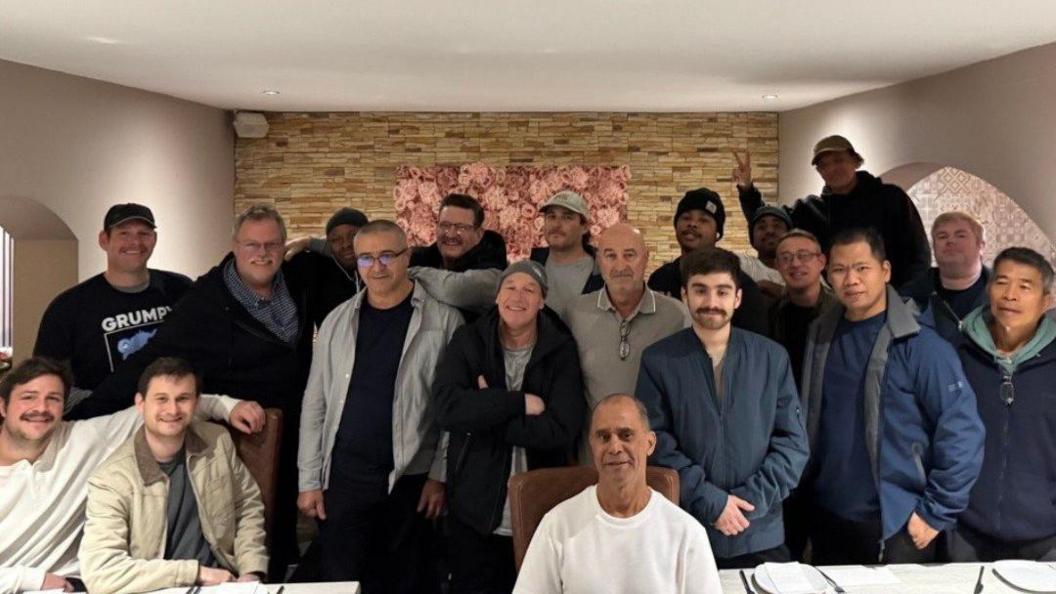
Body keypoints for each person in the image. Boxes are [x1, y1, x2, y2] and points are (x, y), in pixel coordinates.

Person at [70, 204, 314, 577]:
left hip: (297, 424)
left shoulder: (300, 280)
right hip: (243, 434)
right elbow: (152, 359)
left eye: (272, 244)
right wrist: (82, 412)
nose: (262, 253)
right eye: (251, 244)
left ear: (284, 246)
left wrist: (317, 242)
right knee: (244, 522)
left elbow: (352, 252)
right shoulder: (206, 301)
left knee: (280, 532)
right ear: (234, 246)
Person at [0, 356, 262, 594]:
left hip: (71, 586)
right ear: (3, 406)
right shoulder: (111, 475)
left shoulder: (84, 438)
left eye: (53, 399)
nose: (41, 408)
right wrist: (31, 579)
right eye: (29, 397)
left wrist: (229, 406)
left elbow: (167, 407)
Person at [295, 220, 462, 592]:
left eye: (387, 255)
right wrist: (308, 480)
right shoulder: (338, 321)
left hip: (411, 479)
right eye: (366, 258)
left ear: (408, 258)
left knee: (405, 581)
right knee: (342, 579)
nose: (377, 266)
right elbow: (315, 403)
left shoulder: (444, 321)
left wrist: (440, 474)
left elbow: (452, 410)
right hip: (345, 477)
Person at [800, 228, 984, 564]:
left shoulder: (922, 345)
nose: (851, 279)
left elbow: (962, 432)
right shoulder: (821, 336)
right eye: (840, 270)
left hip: (897, 523)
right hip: (830, 516)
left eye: (862, 268)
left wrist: (935, 511)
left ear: (885, 271)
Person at [638, 248, 809, 568]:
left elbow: (793, 445)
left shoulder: (772, 358)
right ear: (684, 295)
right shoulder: (658, 361)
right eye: (701, 290)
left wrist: (747, 505)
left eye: (722, 291)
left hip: (759, 532)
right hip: (687, 530)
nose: (711, 302)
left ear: (738, 298)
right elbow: (654, 442)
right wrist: (711, 503)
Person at [433, 260, 586, 593]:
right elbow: (446, 407)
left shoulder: (560, 348)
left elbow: (561, 429)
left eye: (529, 289)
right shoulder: (470, 339)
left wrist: (486, 413)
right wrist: (516, 403)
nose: (518, 296)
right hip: (474, 511)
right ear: (497, 295)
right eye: (510, 287)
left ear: (542, 301)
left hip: (543, 511)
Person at [79, 358, 268, 594]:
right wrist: (195, 573)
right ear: (140, 404)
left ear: (197, 403)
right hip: (157, 589)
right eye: (161, 399)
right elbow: (101, 573)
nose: (172, 410)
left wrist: (251, 571)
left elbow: (247, 506)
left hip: (225, 584)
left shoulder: (217, 441)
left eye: (183, 399)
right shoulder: (111, 479)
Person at [513, 394, 722, 594]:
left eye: (626, 435)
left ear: (649, 443)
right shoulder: (557, 525)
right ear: (592, 446)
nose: (614, 447)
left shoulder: (687, 533)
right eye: (603, 437)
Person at [948, 247, 1056, 561]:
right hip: (966, 528)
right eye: (1002, 282)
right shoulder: (958, 353)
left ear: (1046, 301)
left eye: (1025, 287)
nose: (1010, 295)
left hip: (1046, 534)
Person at [33, 203, 191, 406]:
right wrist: (101, 408)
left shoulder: (181, 289)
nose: (135, 242)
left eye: (144, 233)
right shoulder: (69, 307)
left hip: (174, 415)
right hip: (104, 427)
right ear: (104, 240)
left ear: (154, 239)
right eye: (124, 233)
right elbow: (44, 382)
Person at [564, 223, 689, 463]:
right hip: (593, 462)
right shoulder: (574, 313)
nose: (620, 266)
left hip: (656, 461)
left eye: (629, 255)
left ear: (645, 259)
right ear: (599, 261)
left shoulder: (677, 316)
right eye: (610, 255)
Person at [733, 137, 930, 287]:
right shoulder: (810, 209)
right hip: (839, 303)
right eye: (824, 165)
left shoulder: (890, 198)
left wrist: (908, 297)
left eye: (838, 160)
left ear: (855, 161)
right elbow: (768, 220)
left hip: (894, 298)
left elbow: (917, 252)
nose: (832, 169)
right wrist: (747, 189)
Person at [767, 229, 837, 561]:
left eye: (804, 255)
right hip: (784, 436)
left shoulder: (841, 313)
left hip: (829, 437)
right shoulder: (772, 313)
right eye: (786, 257)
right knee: (790, 536)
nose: (796, 264)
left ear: (822, 261)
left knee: (829, 540)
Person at [647, 188, 769, 335]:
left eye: (703, 220)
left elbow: (753, 345)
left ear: (718, 233)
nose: (692, 224)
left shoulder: (738, 283)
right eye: (686, 217)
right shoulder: (660, 278)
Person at [901, 211, 989, 344]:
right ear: (934, 247)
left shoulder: (1004, 293)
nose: (950, 241)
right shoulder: (908, 298)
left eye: (960, 235)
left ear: (981, 246)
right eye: (942, 236)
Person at [284, 207, 369, 328]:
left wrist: (309, 242)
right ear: (328, 244)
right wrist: (308, 243)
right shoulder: (319, 268)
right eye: (336, 240)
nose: (346, 244)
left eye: (353, 235)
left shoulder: (381, 267)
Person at [528, 191, 602, 316]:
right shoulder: (532, 266)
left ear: (584, 227)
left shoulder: (602, 271)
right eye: (551, 216)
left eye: (567, 217)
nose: (557, 224)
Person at [411, 193, 508, 272]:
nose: (450, 234)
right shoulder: (415, 260)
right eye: (445, 225)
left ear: (479, 234)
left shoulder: (490, 272)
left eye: (461, 227)